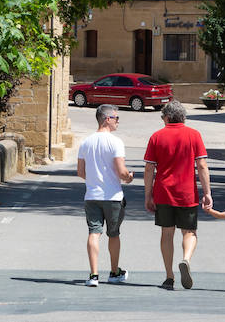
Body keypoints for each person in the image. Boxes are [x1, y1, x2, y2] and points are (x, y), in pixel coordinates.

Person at [143, 100, 213, 290]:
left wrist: (148, 195)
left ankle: (169, 276)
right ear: (183, 117)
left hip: (163, 192)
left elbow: (149, 168)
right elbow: (202, 165)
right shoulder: (194, 135)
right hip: (186, 193)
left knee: (167, 233)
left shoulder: (157, 136)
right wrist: (207, 193)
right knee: (189, 232)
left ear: (166, 117)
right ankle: (186, 259)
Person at [76, 104, 134, 287]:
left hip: (92, 195)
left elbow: (80, 172)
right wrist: (129, 177)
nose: (118, 121)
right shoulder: (115, 142)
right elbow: (121, 171)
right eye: (116, 118)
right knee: (113, 234)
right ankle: (114, 272)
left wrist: (94, 179)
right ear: (107, 119)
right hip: (113, 196)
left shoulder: (86, 142)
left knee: (94, 232)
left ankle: (93, 275)